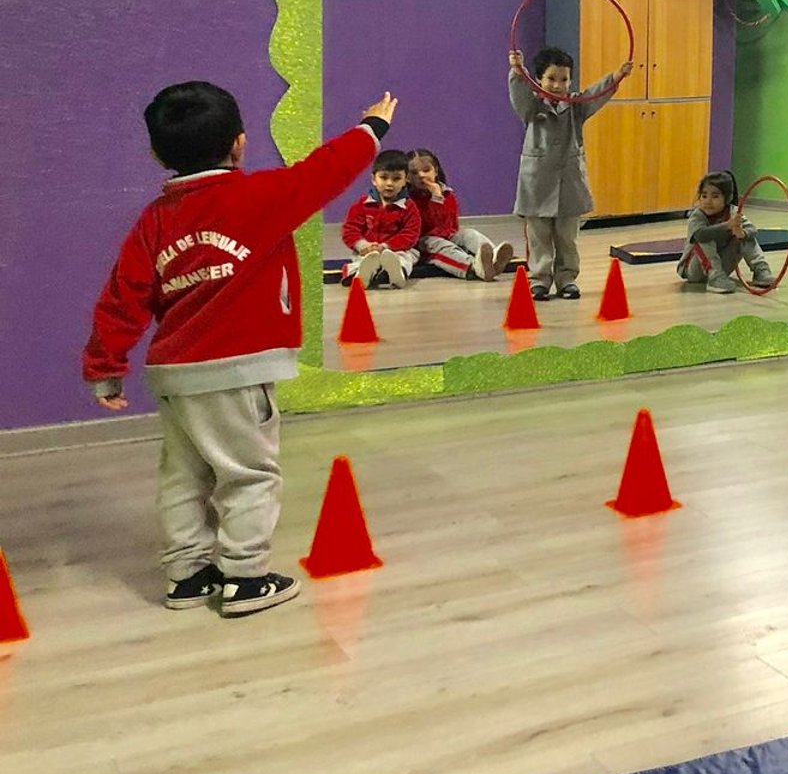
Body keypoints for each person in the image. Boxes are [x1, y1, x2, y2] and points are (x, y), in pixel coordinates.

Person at [84, 82, 399, 616]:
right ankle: (245, 578)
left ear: (157, 155)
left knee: (183, 475)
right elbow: (327, 169)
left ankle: (187, 575)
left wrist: (105, 366)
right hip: (238, 372)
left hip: (175, 375)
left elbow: (123, 295)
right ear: (240, 144)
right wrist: (373, 127)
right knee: (249, 474)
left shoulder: (154, 220)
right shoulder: (265, 195)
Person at [508, 45, 629, 301]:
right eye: (551, 78)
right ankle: (539, 279)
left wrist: (616, 77)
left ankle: (567, 279)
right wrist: (517, 71)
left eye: (563, 79)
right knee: (539, 236)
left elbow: (595, 95)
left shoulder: (576, 106)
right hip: (537, 184)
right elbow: (520, 97)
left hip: (569, 183)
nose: (557, 85)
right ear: (538, 79)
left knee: (567, 238)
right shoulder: (533, 107)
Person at [406, 147, 511, 282]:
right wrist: (436, 199)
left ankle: (494, 257)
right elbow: (429, 225)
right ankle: (473, 267)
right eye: (414, 173)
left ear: (435, 171)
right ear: (407, 178)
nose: (421, 175)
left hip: (448, 234)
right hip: (426, 241)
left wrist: (439, 196)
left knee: (469, 234)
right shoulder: (409, 200)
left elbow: (449, 224)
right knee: (439, 245)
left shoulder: (447, 194)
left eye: (426, 170)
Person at [676, 170, 774, 295]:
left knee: (745, 235)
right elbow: (700, 235)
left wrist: (742, 233)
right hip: (695, 270)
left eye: (715, 196)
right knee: (704, 236)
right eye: (704, 196)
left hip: (722, 264)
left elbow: (753, 230)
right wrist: (727, 225)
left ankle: (761, 270)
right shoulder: (698, 216)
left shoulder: (733, 212)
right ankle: (715, 277)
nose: (708, 201)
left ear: (727, 198)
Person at [340, 149, 422, 289]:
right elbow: (350, 229)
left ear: (406, 180)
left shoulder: (409, 207)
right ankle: (358, 275)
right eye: (384, 178)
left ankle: (397, 273)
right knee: (359, 261)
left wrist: (386, 247)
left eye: (396, 179)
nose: (389, 183)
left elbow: (410, 233)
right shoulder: (362, 204)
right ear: (374, 179)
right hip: (368, 251)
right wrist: (363, 246)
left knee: (406, 257)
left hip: (397, 250)